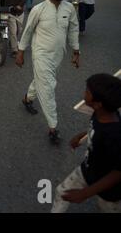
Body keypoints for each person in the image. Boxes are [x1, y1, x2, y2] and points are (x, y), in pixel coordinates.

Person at [16, 0, 80, 143]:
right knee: (48, 86)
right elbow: (28, 31)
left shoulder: (69, 9)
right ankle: (53, 127)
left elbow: (74, 29)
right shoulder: (39, 9)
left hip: (59, 54)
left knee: (42, 80)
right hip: (41, 54)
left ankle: (27, 99)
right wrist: (21, 52)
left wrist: (76, 51)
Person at [51, 74, 121, 213]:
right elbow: (95, 128)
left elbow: (118, 173)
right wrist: (81, 137)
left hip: (109, 191)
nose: (84, 92)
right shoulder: (100, 114)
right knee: (61, 193)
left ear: (98, 103)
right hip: (87, 170)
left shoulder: (115, 136)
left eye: (87, 91)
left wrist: (85, 193)